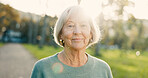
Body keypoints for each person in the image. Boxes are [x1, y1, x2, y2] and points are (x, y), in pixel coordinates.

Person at [31, 6, 113, 78]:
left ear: (91, 33)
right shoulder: (42, 68)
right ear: (61, 34)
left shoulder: (103, 69)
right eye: (70, 25)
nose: (77, 31)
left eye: (83, 25)